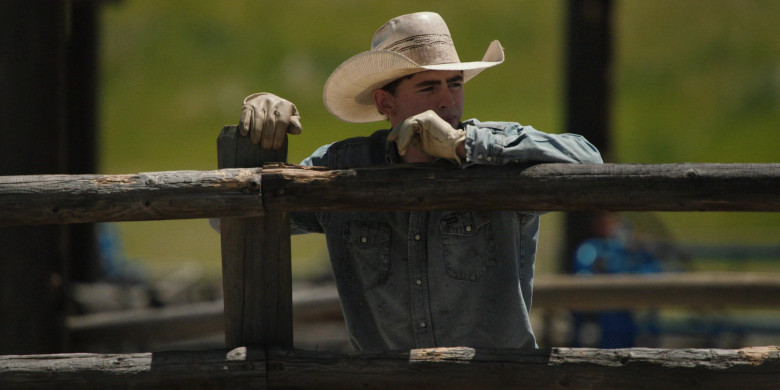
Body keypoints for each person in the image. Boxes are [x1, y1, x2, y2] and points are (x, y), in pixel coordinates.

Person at [235, 12, 602, 351]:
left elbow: (591, 164)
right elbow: (229, 223)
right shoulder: (344, 166)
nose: (448, 102)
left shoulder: (496, 152)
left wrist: (463, 146)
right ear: (384, 102)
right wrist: (257, 140)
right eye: (428, 88)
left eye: (454, 84)